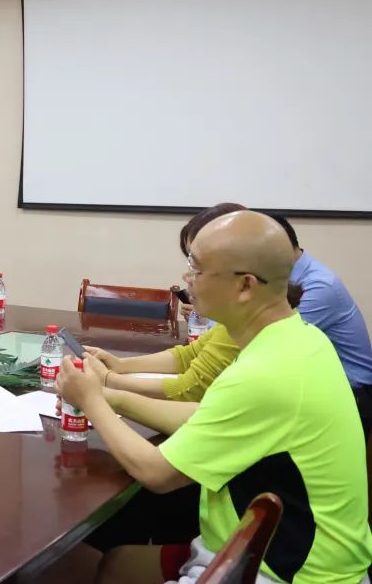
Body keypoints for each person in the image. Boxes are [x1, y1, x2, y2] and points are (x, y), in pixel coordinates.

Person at [59, 211, 372, 583]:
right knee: (117, 562)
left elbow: (156, 473)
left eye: (197, 268)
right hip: (256, 548)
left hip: (287, 573)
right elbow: (207, 414)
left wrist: (92, 402)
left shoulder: (265, 372)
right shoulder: (297, 338)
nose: (186, 278)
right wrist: (112, 397)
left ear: (245, 286)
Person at [89, 203, 245, 402]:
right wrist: (120, 365)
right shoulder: (235, 319)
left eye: (198, 265)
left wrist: (108, 381)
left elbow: (191, 388)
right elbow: (189, 355)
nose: (187, 275)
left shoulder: (250, 324)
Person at [267, 213, 372, 434]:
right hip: (320, 386)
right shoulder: (281, 278)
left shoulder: (318, 285)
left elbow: (271, 340)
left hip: (353, 393)